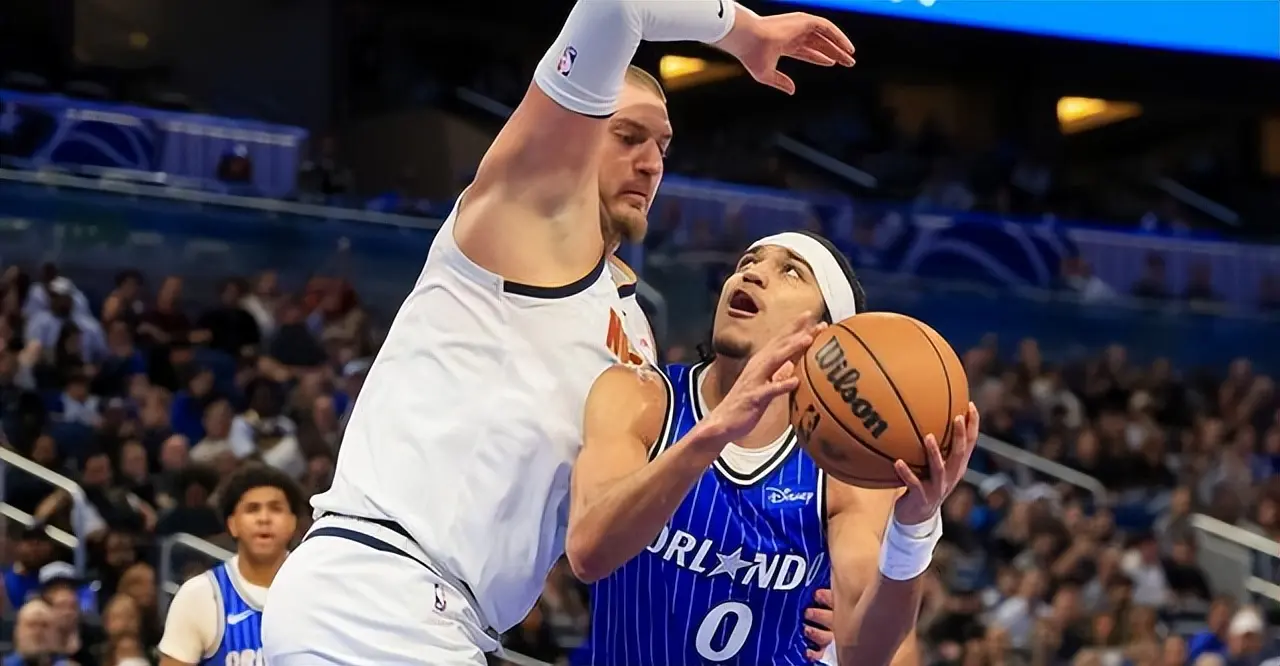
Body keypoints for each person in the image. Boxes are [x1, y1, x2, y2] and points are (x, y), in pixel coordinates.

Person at [260, 0, 855, 663]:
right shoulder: (520, 214)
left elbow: (619, 515)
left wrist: (807, 590)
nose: (651, 164)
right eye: (628, 136)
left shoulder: (632, 326)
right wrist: (748, 32)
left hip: (444, 618)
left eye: (661, 147)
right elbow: (617, 5)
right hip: (378, 594)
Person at [570, 231, 979, 665]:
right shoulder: (642, 399)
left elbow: (869, 656)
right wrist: (714, 433)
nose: (752, 273)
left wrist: (914, 529)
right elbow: (588, 553)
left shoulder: (840, 476)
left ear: (827, 339)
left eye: (790, 271)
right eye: (748, 261)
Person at [157, 465, 303, 666]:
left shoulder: (320, 589)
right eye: (252, 509)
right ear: (232, 524)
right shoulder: (200, 595)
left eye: (275, 509)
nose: (264, 519)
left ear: (293, 522)